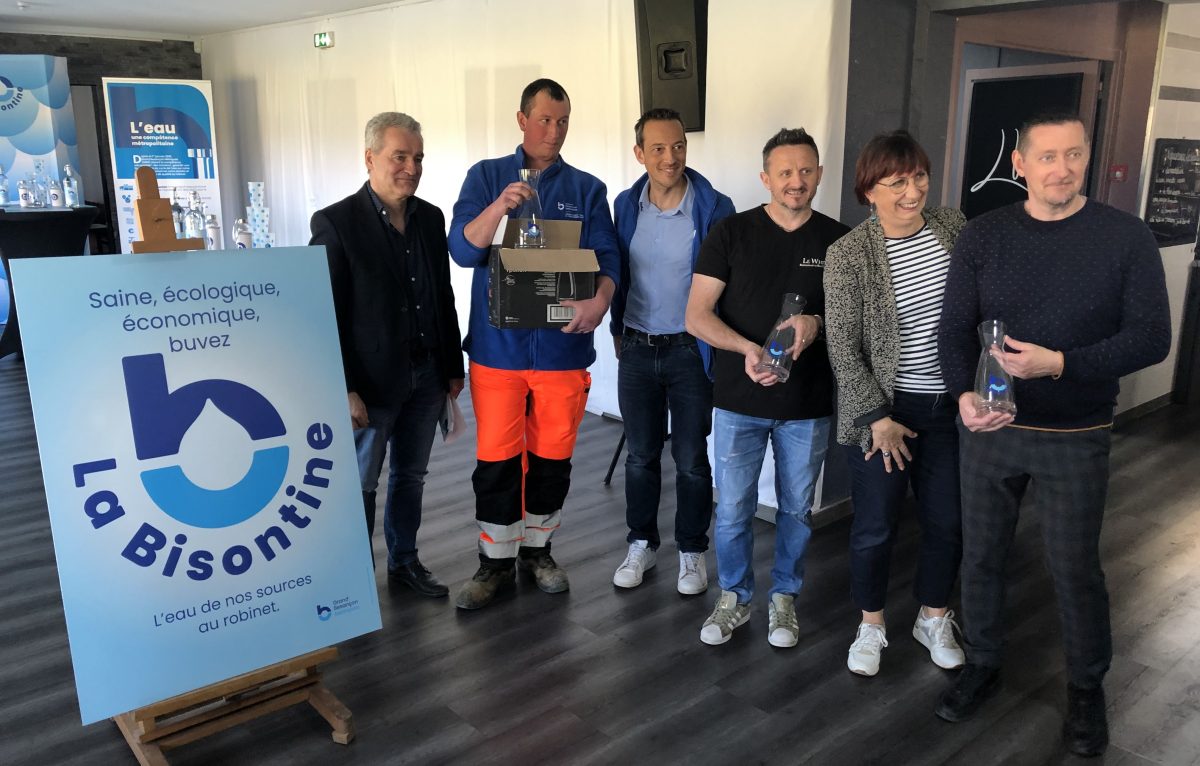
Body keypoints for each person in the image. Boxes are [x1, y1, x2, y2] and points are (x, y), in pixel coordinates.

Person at [935, 112, 1171, 757]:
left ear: (1087, 159)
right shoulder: (983, 236)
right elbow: (954, 328)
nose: (1060, 169)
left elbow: (1153, 338)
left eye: (1073, 156)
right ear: (1020, 164)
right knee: (980, 555)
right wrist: (961, 397)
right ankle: (982, 662)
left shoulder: (1126, 238)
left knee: (1073, 568)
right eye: (1046, 157)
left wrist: (1060, 364)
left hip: (1077, 429)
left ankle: (1087, 689)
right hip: (989, 428)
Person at [448, 78, 620, 610]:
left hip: (563, 353)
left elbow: (608, 260)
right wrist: (500, 205)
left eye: (563, 120)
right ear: (522, 119)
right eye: (545, 119)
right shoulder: (485, 176)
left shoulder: (587, 189)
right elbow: (461, 249)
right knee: (497, 460)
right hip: (497, 352)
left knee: (552, 459)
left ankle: (539, 552)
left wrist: (600, 301)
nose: (554, 130)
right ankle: (494, 562)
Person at [685, 128, 849, 647]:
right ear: (766, 178)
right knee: (732, 509)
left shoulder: (840, 241)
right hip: (739, 401)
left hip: (807, 405)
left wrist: (815, 325)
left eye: (806, 171)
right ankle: (734, 596)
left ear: (819, 174)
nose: (796, 181)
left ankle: (784, 600)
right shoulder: (731, 234)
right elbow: (696, 316)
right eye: (785, 172)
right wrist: (748, 350)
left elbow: (854, 321)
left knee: (796, 509)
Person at [824, 131, 966, 677]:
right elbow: (843, 344)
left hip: (948, 408)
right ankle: (872, 624)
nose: (913, 191)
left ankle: (932, 615)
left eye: (919, 177)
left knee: (946, 521)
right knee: (876, 525)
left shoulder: (954, 228)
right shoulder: (849, 254)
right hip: (887, 411)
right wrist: (876, 418)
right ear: (869, 191)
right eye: (898, 182)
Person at [310, 111, 464, 597]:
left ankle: (404, 563)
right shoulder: (336, 223)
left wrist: (452, 371)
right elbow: (322, 313)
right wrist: (343, 386)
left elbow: (444, 297)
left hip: (426, 376)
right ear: (370, 157)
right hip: (371, 385)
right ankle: (350, 577)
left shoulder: (430, 218)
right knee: (359, 484)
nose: (412, 168)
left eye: (418, 157)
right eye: (400, 156)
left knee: (411, 477)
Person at [608, 107, 735, 594]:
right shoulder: (624, 205)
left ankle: (691, 551)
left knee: (690, 458)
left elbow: (728, 283)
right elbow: (613, 268)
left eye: (678, 146)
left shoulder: (714, 206)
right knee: (639, 456)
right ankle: (641, 543)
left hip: (690, 353)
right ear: (639, 153)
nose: (670, 157)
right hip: (638, 348)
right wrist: (618, 329)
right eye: (658, 148)